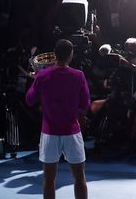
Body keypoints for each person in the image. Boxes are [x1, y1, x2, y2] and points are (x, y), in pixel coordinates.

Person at [26, 39, 90, 199]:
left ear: (55, 54)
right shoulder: (78, 75)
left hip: (49, 133)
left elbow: (29, 100)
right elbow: (85, 104)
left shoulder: (42, 76)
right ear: (71, 55)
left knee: (48, 179)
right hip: (72, 132)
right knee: (79, 178)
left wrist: (36, 79)